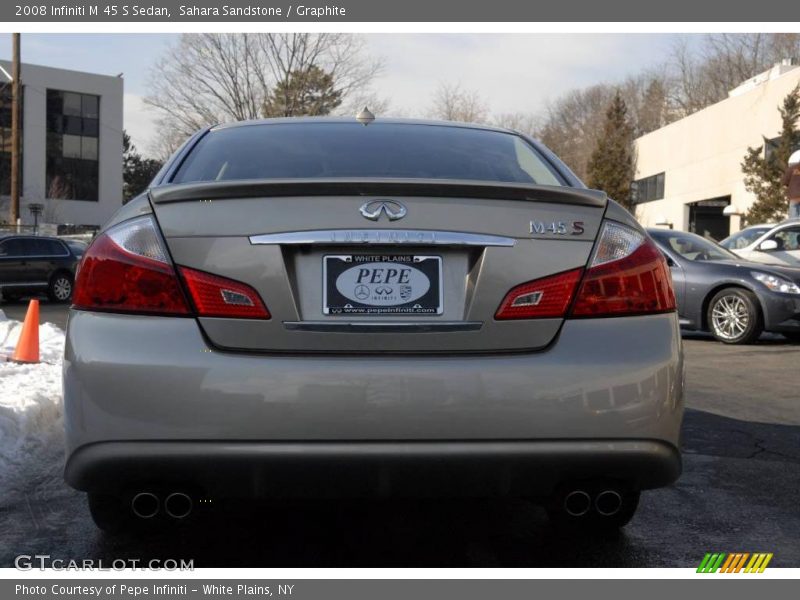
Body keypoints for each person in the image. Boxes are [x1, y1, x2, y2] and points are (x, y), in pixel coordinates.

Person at [784, 149, 800, 219]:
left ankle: (793, 229)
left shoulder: (791, 169)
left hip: (794, 198)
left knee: (793, 220)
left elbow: (784, 181)